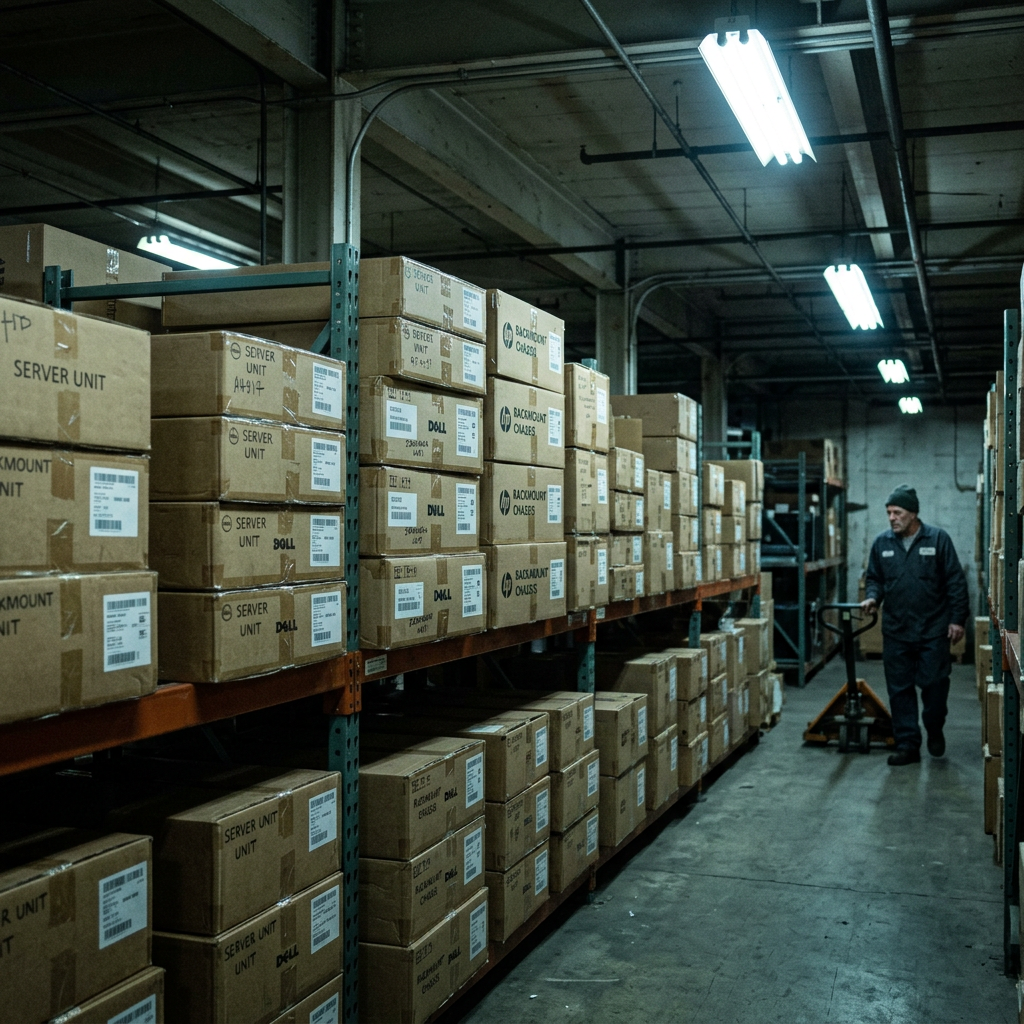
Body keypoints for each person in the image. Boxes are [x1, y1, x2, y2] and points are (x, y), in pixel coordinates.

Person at [860, 484, 968, 766]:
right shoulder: (882, 543)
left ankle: (934, 726)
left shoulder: (937, 539)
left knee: (934, 686)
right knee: (900, 690)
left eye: (897, 512)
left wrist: (958, 620)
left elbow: (955, 582)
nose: (892, 518)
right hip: (896, 630)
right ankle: (908, 744)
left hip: (933, 630)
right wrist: (872, 597)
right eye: (889, 513)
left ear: (913, 513)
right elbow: (874, 579)